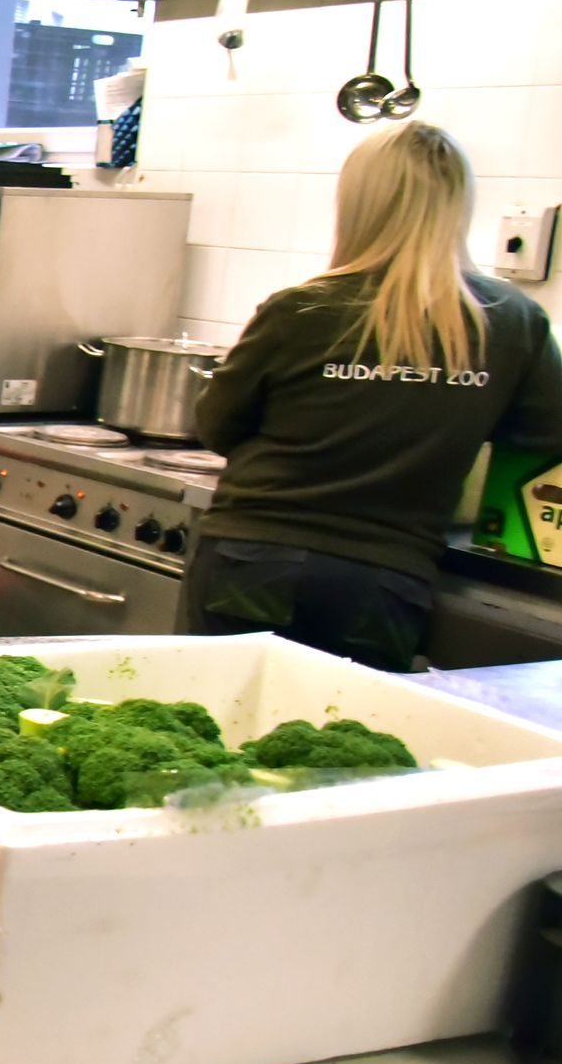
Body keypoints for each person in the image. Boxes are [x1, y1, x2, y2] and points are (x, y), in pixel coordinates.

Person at [184, 120, 562, 670]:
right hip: (383, 580)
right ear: (458, 205)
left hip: (252, 557)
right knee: (347, 746)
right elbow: (545, 432)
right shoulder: (510, 323)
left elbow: (217, 426)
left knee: (218, 730)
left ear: (358, 204)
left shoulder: (302, 308)